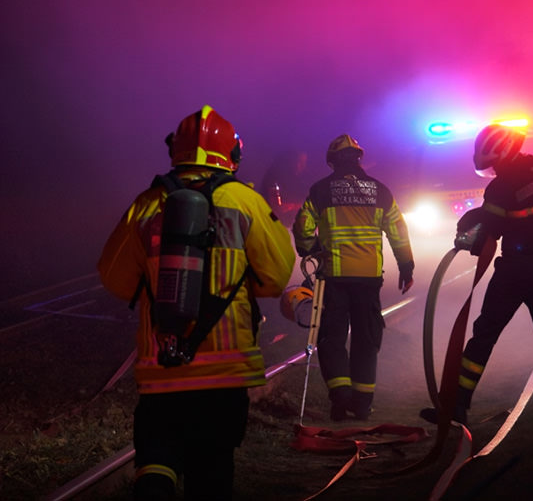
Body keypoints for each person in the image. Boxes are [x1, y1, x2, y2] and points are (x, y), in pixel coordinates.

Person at [98, 106, 295, 501]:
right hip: (226, 371)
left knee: (157, 454)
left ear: (176, 151)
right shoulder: (245, 201)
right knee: (212, 465)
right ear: (232, 154)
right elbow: (275, 277)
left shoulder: (147, 204)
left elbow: (115, 279)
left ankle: (155, 482)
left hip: (162, 367)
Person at [429, 123, 533, 427]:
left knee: (484, 336)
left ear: (500, 154)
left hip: (516, 270)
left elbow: (485, 236)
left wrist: (466, 232)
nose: (492, 171)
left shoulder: (502, 185)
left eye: (493, 165)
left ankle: (457, 405)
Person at [293, 133, 415, 421]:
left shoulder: (321, 190)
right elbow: (398, 231)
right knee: (367, 339)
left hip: (332, 278)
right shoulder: (380, 191)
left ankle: (340, 398)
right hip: (368, 279)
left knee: (331, 338)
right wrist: (406, 266)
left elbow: (302, 227)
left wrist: (313, 251)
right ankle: (362, 404)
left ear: (332, 162)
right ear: (359, 159)